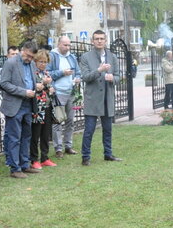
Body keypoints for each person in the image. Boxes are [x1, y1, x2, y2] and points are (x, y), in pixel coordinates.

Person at [79, 30, 122, 166]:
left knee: (108, 129)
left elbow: (118, 76)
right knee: (89, 130)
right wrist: (99, 70)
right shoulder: (86, 57)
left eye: (102, 39)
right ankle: (86, 157)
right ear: (92, 41)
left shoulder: (112, 57)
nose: (99, 41)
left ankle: (108, 154)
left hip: (107, 98)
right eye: (96, 39)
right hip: (92, 99)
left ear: (105, 40)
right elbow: (85, 77)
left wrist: (112, 78)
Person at [0, 41, 40, 179]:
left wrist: (36, 88)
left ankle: (25, 164)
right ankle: (15, 168)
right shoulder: (11, 63)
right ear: (23, 50)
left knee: (26, 136)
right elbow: (4, 84)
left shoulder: (32, 64)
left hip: (28, 104)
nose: (29, 59)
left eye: (32, 57)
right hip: (14, 105)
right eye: (28, 55)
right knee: (14, 137)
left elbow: (30, 81)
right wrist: (23, 92)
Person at [47, 35, 81, 158]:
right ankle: (58, 148)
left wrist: (77, 78)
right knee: (57, 121)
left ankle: (68, 146)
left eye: (69, 45)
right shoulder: (52, 56)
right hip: (58, 93)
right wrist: (62, 73)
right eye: (65, 45)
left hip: (70, 92)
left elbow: (78, 71)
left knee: (70, 121)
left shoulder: (72, 57)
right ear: (59, 44)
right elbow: (48, 73)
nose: (67, 48)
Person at [29, 50, 56, 169]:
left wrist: (51, 90)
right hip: (37, 108)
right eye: (41, 61)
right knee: (35, 134)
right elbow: (34, 87)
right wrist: (43, 84)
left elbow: (49, 87)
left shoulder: (46, 73)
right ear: (35, 61)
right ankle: (34, 159)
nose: (43, 64)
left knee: (46, 134)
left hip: (47, 106)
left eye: (45, 62)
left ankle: (45, 157)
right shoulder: (32, 73)